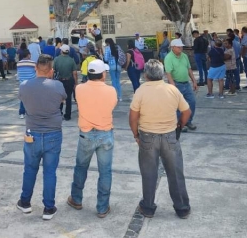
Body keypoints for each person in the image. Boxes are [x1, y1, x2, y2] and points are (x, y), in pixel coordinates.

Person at [130, 60, 192, 219]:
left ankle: (148, 207)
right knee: (176, 172)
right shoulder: (172, 89)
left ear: (146, 75)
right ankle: (182, 208)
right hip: (170, 135)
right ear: (163, 74)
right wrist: (179, 126)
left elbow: (133, 117)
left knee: (149, 173)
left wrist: (136, 135)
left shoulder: (141, 91)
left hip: (147, 136)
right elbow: (186, 112)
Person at [17, 54, 67, 220]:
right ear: (51, 70)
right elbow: (62, 101)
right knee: (50, 172)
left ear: (35, 69)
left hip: (32, 133)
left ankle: (25, 202)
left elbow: (23, 102)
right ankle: (48, 207)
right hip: (53, 133)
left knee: (30, 169)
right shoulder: (58, 86)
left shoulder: (24, 86)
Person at [67, 59, 116, 218]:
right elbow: (111, 106)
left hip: (86, 133)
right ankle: (102, 207)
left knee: (81, 167)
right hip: (105, 133)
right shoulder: (111, 91)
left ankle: (76, 199)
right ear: (102, 74)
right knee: (105, 171)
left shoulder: (79, 88)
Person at [163, 39, 197, 131]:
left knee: (192, 102)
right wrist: (173, 85)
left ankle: (188, 121)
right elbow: (168, 73)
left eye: (181, 46)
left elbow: (189, 69)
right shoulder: (168, 58)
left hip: (186, 83)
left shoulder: (184, 56)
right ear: (173, 47)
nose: (181, 48)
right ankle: (180, 124)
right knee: (177, 106)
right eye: (178, 47)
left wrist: (194, 81)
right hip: (176, 84)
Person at [53, 44, 78, 121]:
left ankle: (59, 112)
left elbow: (53, 71)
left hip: (59, 81)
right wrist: (76, 83)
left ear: (61, 51)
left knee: (59, 98)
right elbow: (75, 73)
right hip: (69, 81)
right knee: (68, 98)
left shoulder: (56, 59)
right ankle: (67, 115)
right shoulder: (71, 60)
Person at [17, 49, 36, 119]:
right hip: (31, 83)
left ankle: (22, 113)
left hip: (22, 83)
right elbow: (36, 71)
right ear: (28, 55)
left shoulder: (18, 63)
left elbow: (19, 73)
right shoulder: (33, 63)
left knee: (23, 99)